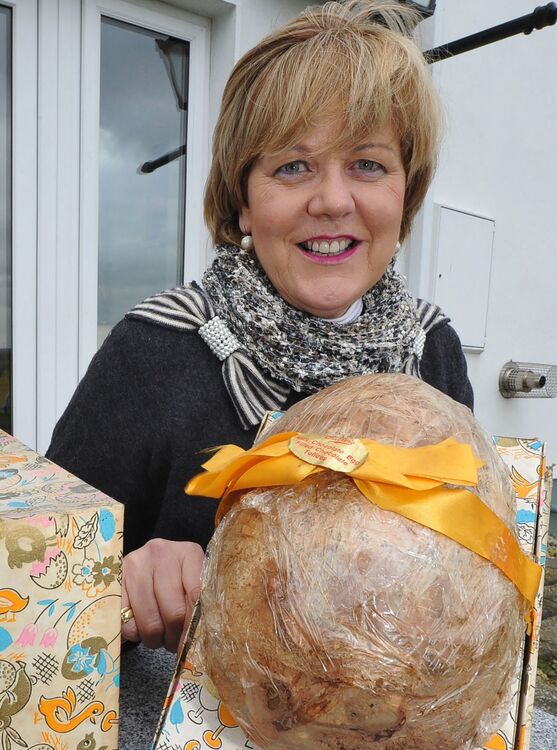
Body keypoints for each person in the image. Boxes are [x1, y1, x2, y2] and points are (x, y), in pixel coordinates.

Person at [47, 0, 473, 653]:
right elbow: (38, 597)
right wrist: (119, 583)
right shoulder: (155, 350)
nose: (333, 200)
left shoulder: (432, 350)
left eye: (368, 164)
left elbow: (464, 563)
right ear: (243, 202)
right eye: (293, 167)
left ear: (404, 197)